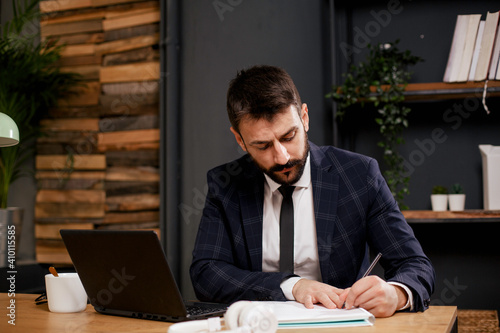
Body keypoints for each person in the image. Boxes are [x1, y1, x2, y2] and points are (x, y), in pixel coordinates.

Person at [190, 65, 435, 318]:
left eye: (288, 136)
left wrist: (396, 294)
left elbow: (415, 264)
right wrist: (292, 286)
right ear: (240, 140)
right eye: (262, 145)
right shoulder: (225, 184)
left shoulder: (359, 175)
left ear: (304, 117)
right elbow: (206, 273)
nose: (282, 157)